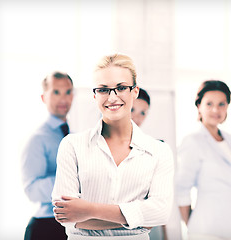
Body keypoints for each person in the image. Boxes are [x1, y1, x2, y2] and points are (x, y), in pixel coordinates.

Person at [51, 53, 174, 240]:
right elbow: (66, 216)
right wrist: (138, 217)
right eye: (103, 90)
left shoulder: (158, 151)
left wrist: (88, 210)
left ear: (135, 91)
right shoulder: (72, 145)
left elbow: (160, 213)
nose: (112, 97)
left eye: (121, 87)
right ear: (94, 95)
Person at [176, 80, 231, 240]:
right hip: (206, 228)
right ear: (199, 106)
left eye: (221, 104)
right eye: (209, 104)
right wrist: (191, 224)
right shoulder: (193, 141)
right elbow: (181, 188)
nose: (216, 109)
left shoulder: (230, 140)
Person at [21, 71, 74, 240]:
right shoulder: (37, 139)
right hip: (46, 227)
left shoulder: (74, 136)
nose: (63, 99)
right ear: (44, 97)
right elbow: (31, 190)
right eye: (56, 92)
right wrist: (70, 181)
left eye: (68, 92)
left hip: (71, 226)